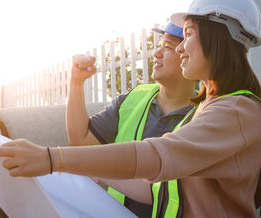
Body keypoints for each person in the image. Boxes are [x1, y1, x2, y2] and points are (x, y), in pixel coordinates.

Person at [0, 0, 261, 217]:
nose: (180, 46)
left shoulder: (237, 112)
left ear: (218, 37)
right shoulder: (214, 107)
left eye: (189, 34)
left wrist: (52, 159)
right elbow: (158, 189)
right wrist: (87, 171)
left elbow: (156, 156)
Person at [66, 21, 196, 218]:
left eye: (167, 47)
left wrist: (98, 169)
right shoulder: (132, 100)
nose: (156, 54)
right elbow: (80, 141)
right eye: (158, 45)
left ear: (189, 54)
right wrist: (76, 81)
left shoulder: (205, 116)